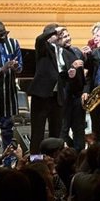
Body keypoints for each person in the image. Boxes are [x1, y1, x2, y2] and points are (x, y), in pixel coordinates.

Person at [27, 23, 66, 153]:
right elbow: (39, 39)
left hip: (57, 97)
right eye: (58, 35)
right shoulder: (43, 47)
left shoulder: (63, 50)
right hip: (42, 95)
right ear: (50, 36)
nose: (60, 37)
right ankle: (35, 161)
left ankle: (55, 161)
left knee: (56, 133)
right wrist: (54, 31)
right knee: (38, 132)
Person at [58, 27, 87, 152]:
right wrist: (72, 67)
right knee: (63, 130)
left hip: (78, 97)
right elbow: (60, 74)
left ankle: (79, 154)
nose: (68, 38)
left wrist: (87, 56)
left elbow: (85, 73)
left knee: (79, 129)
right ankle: (71, 152)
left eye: (68, 35)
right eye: (64, 37)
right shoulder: (57, 53)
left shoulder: (76, 51)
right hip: (65, 97)